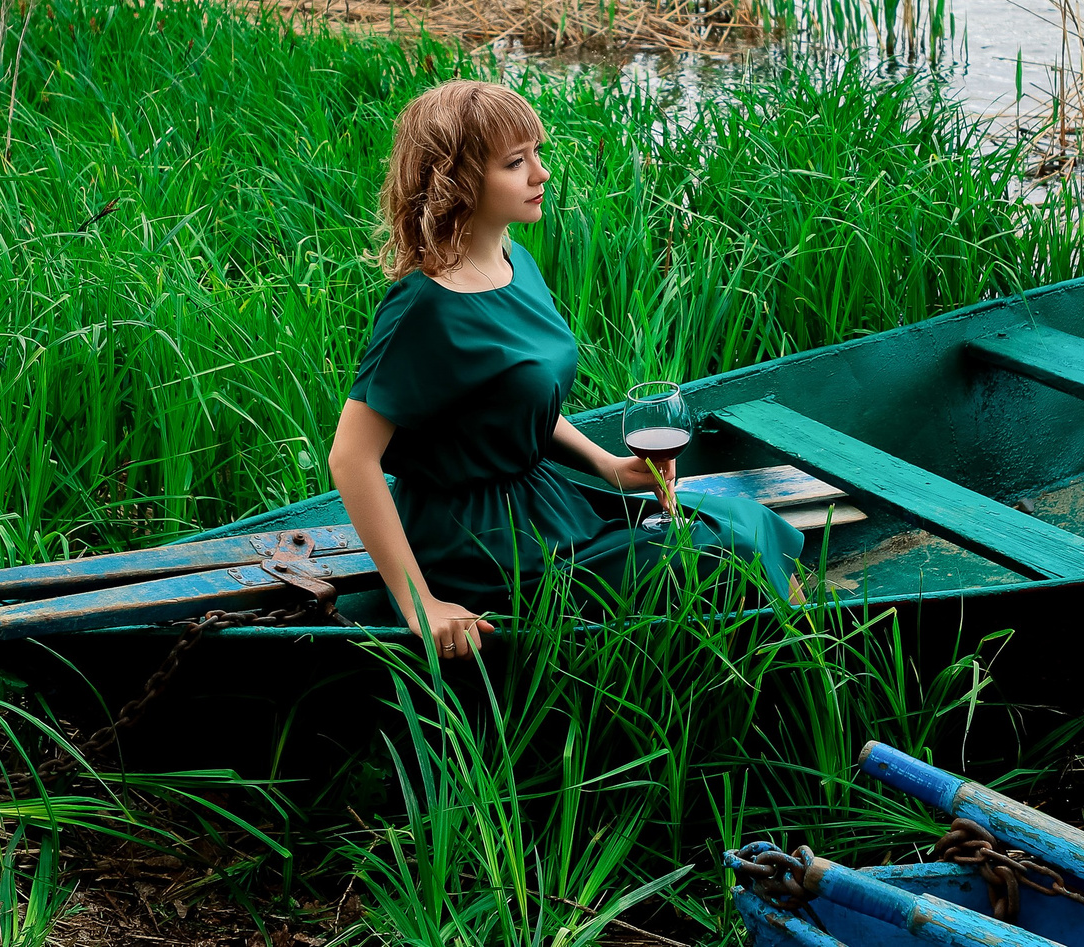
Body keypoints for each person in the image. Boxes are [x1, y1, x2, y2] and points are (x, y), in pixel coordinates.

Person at [325, 79, 803, 660]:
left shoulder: (513, 261)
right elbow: (351, 457)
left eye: (537, 154)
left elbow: (511, 401)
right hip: (479, 536)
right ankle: (790, 665)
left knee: (741, 521)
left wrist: (606, 465)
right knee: (717, 559)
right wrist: (419, 603)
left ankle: (786, 652)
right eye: (515, 162)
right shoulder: (424, 307)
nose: (541, 174)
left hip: (540, 499)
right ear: (456, 180)